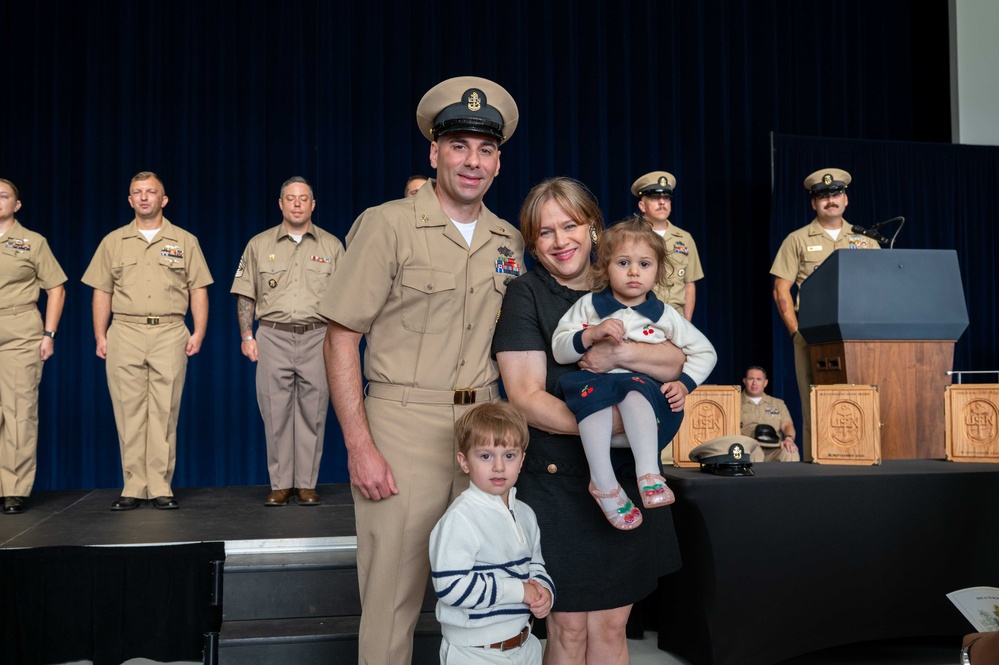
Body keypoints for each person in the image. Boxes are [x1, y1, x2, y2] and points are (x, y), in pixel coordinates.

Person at [320, 76, 523, 665]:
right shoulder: (387, 225)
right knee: (393, 597)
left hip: (485, 427)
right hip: (402, 426)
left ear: (498, 163)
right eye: (459, 146)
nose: (472, 161)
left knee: (489, 594)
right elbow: (341, 336)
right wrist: (360, 445)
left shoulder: (509, 240)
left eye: (485, 150)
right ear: (434, 154)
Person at [494, 177, 687, 664]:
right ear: (532, 242)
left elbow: (675, 359)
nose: (560, 241)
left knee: (612, 627)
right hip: (557, 483)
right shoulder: (526, 294)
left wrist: (621, 355)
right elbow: (525, 398)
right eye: (545, 232)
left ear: (594, 229)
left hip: (629, 480)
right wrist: (615, 423)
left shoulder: (624, 283)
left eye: (570, 226)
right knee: (569, 630)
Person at [551, 218, 716, 530]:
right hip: (595, 391)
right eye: (623, 263)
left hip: (639, 401)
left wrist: (684, 384)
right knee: (595, 398)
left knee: (634, 389)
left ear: (658, 271)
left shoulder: (665, 315)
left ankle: (648, 473)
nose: (634, 272)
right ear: (605, 267)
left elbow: (705, 352)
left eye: (644, 264)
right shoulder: (589, 306)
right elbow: (560, 349)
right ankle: (603, 483)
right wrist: (591, 334)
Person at [82, 171, 213, 511]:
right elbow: (102, 291)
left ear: (163, 199)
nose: (144, 197)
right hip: (125, 330)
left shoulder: (185, 240)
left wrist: (199, 331)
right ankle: (133, 486)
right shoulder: (113, 241)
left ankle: (160, 486)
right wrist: (100, 334)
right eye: (137, 192)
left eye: (150, 192)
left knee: (164, 411)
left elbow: (198, 289)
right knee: (128, 411)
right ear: (130, 200)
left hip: (169, 330)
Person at [230, 176, 344, 507]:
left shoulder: (332, 246)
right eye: (290, 198)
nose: (297, 203)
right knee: (275, 411)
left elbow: (344, 300)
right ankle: (280, 485)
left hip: (317, 336)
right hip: (273, 335)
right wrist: (246, 335)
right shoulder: (259, 244)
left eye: (303, 198)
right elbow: (245, 293)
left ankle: (306, 485)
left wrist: (337, 343)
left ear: (313, 205)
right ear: (280, 204)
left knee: (313, 412)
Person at [429, 401, 554, 664]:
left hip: (524, 645)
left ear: (522, 461)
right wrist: (519, 591)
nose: (499, 466)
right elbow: (451, 587)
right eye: (486, 456)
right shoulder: (460, 518)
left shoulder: (526, 514)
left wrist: (544, 591)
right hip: (475, 652)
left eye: (509, 456)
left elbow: (535, 565)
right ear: (464, 462)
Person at [770, 168, 879, 459]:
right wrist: (796, 332)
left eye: (836, 194)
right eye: (823, 196)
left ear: (845, 199)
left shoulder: (866, 240)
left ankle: (864, 458)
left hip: (860, 335)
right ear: (813, 203)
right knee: (814, 401)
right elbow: (781, 290)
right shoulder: (797, 240)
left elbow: (881, 287)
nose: (831, 200)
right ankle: (816, 465)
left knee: (863, 397)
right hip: (813, 335)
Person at [0, 179, 66, 515]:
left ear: (17, 205)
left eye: (3, 196)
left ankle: (13, 489)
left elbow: (56, 288)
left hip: (19, 330)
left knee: (19, 413)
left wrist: (48, 334)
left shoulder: (32, 242)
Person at [630, 171, 703, 321]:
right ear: (642, 205)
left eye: (666, 198)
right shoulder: (630, 236)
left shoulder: (685, 238)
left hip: (675, 317)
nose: (662, 203)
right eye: (655, 198)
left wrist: (686, 321)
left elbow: (689, 283)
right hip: (639, 316)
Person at [739, 366, 799, 462]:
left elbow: (787, 425)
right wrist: (745, 442)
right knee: (755, 452)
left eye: (759, 379)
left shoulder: (778, 403)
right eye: (751, 379)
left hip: (774, 447)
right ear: (744, 381)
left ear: (765, 382)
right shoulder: (735, 403)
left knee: (790, 451)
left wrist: (789, 439)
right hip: (748, 447)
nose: (754, 383)